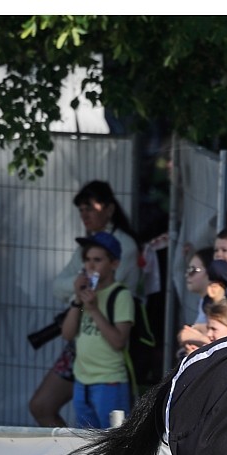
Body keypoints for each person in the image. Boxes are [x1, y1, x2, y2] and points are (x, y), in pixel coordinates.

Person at [28, 180, 139, 427]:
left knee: (109, 438)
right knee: (68, 425)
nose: (84, 215)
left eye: (90, 208)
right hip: (83, 358)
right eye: (81, 210)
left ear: (109, 209)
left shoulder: (124, 247)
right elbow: (59, 286)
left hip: (108, 363)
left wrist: (82, 293)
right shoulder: (89, 246)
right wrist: (77, 296)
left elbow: (100, 287)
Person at [59, 231, 135, 428]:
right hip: (82, 382)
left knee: (111, 444)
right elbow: (67, 334)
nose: (90, 266)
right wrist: (78, 299)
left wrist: (93, 309)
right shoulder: (86, 294)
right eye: (87, 260)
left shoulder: (120, 295)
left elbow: (118, 341)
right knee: (86, 445)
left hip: (109, 383)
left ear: (114, 264)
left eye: (97, 260)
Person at [176, 247, 214, 356]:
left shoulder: (218, 304)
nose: (187, 275)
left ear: (210, 272)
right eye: (187, 270)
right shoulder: (203, 302)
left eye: (193, 270)